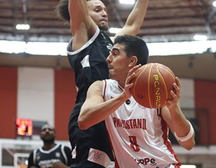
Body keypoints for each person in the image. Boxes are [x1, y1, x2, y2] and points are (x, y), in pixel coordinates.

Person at [56, 0, 149, 167]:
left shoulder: (113, 45)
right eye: (97, 10)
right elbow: (77, 8)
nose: (105, 13)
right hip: (90, 113)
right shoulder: (82, 36)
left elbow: (133, 24)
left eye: (105, 10)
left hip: (113, 115)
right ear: (84, 13)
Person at [78, 35, 196, 167]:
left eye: (115, 54)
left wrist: (174, 108)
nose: (108, 59)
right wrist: (123, 96)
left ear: (131, 61)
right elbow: (83, 121)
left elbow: (188, 144)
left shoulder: (157, 91)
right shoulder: (101, 87)